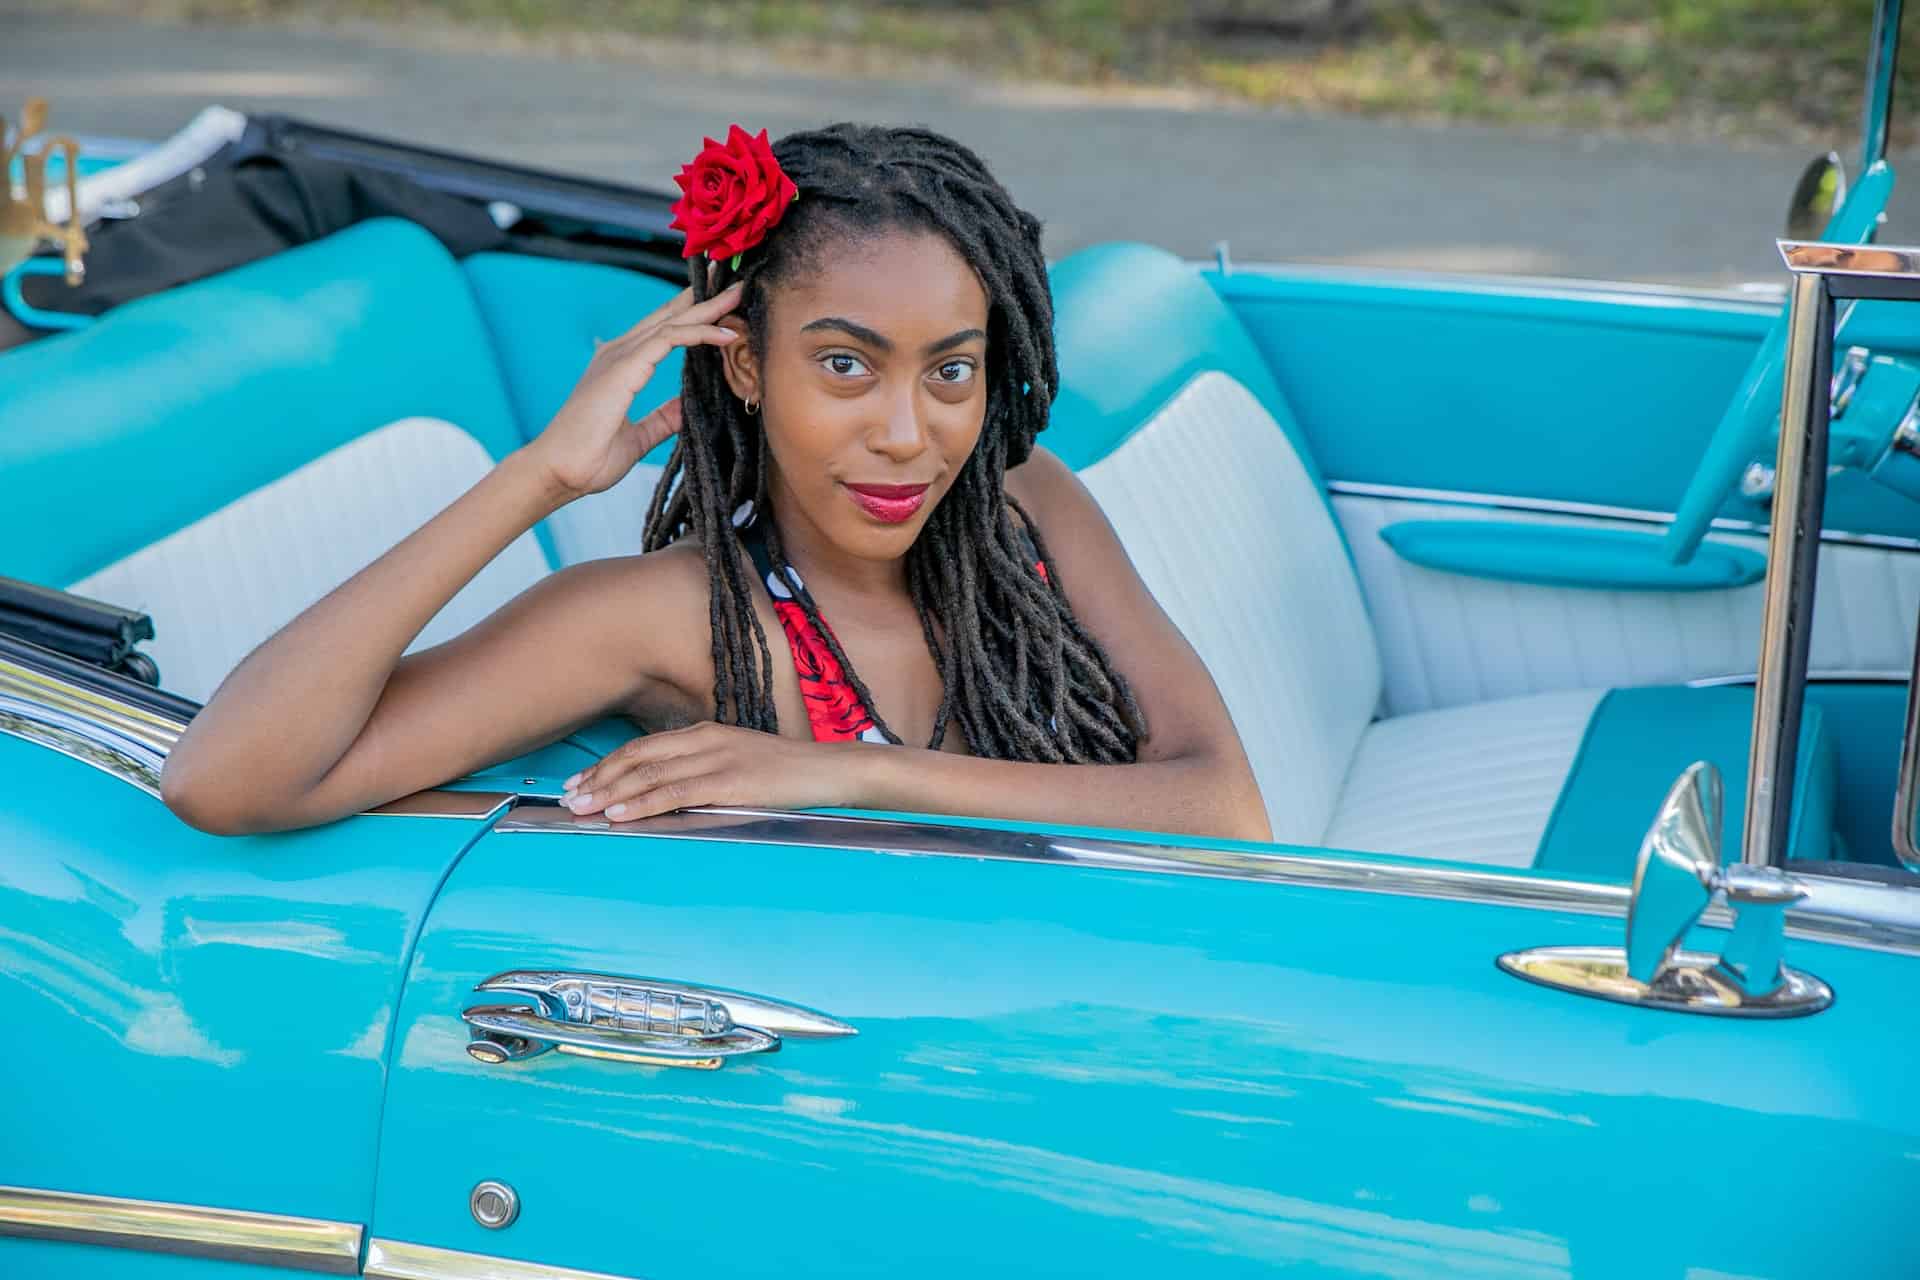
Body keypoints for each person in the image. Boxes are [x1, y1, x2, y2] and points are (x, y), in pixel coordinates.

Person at [160, 122, 1270, 841]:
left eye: (951, 371)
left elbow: (1226, 808)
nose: (905, 432)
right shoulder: (674, 615)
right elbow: (232, 778)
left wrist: (844, 777)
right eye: (845, 364)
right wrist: (540, 479)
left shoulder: (1029, 504)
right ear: (746, 363)